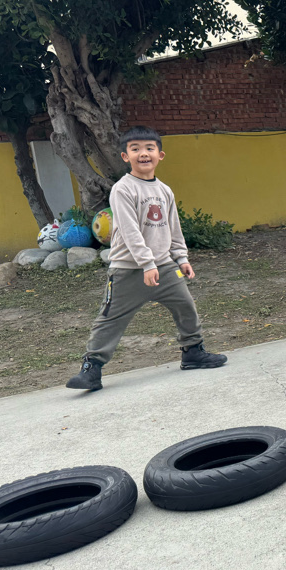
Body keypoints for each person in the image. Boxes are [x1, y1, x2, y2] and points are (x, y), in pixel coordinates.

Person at [67, 127, 227, 391]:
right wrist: (146, 264)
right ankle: (91, 368)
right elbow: (130, 231)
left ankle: (193, 352)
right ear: (125, 156)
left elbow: (173, 228)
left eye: (149, 148)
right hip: (128, 270)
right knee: (110, 317)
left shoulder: (165, 191)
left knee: (186, 306)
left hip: (164, 267)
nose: (143, 153)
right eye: (136, 149)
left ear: (160, 155)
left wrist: (181, 258)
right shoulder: (122, 189)